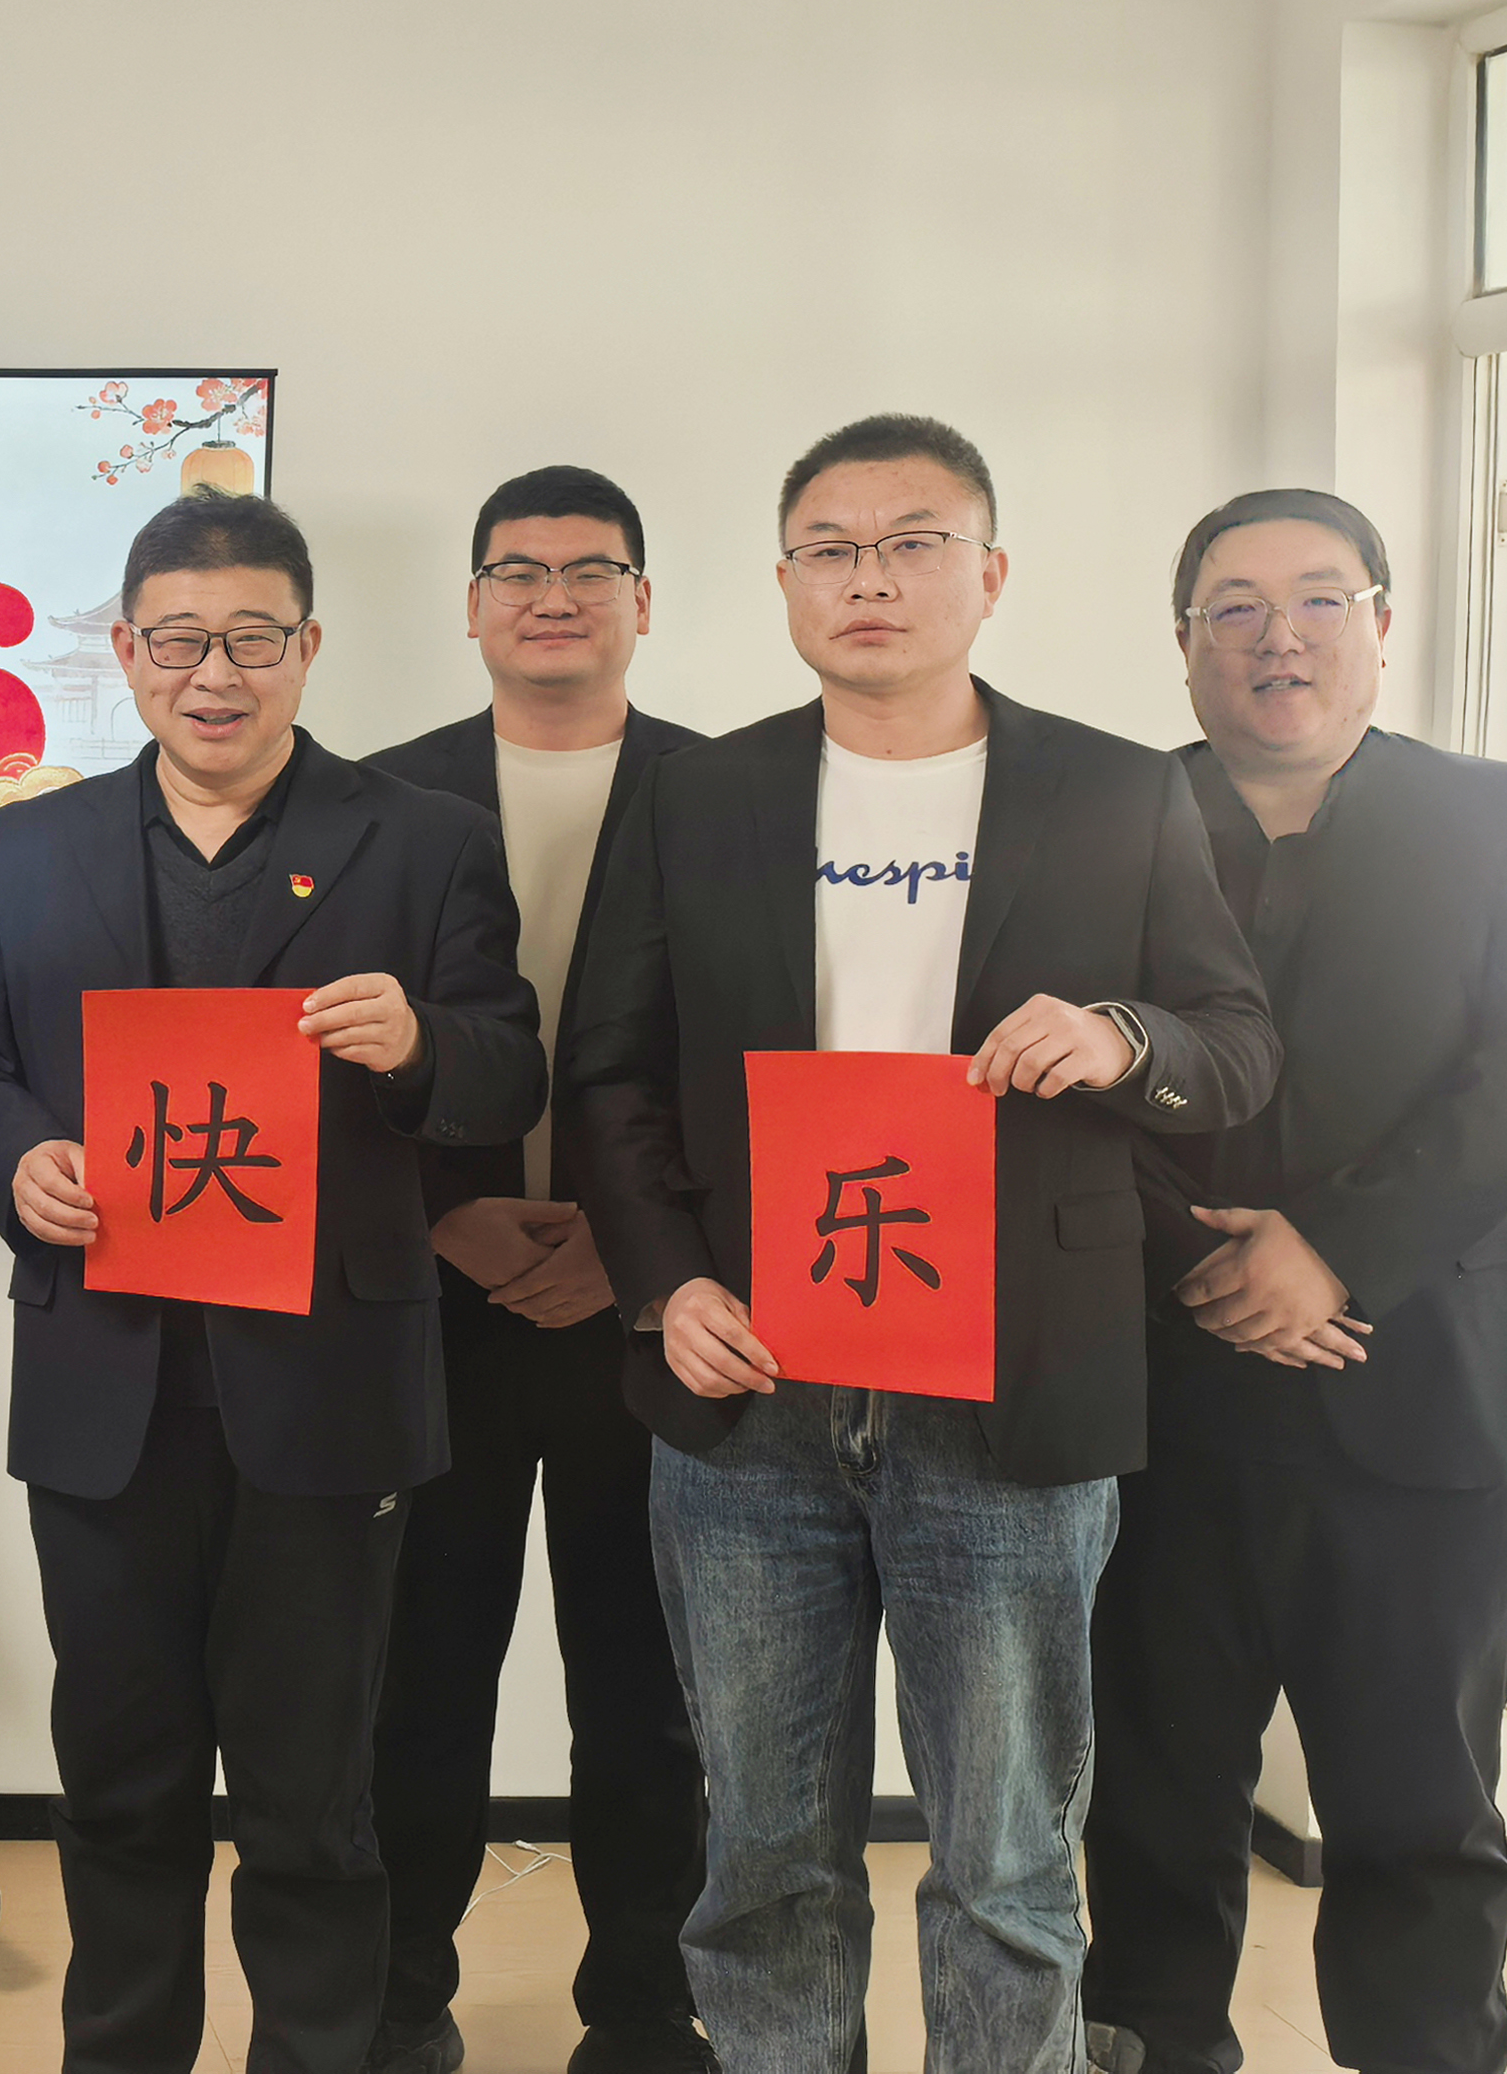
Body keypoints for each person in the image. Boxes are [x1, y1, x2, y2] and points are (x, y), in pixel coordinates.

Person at [561, 414, 1281, 2074]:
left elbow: (1235, 1047)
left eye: (910, 543)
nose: (867, 578)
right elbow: (607, 1072)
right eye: (829, 548)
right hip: (752, 1386)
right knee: (759, 1852)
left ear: (990, 573)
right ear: (784, 583)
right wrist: (665, 1284)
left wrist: (1118, 1037)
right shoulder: (696, 792)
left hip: (1009, 1385)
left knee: (1007, 1856)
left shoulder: (1116, 788)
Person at [0, 491, 549, 2074]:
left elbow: (507, 1070)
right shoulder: (26, 846)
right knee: (117, 1784)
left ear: (307, 648)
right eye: (180, 640)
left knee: (310, 1797)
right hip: (105, 1386)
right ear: (127, 651)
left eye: (252, 640)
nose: (215, 674)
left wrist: (419, 1046)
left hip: (326, 1394)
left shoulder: (423, 841)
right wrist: (18, 1162)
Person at [1082, 491, 1507, 2074]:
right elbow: (1048, 1077)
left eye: (1318, 599)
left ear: (1381, 625)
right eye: (1233, 606)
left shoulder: (1504, 818)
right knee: (1146, 1798)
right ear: (1183, 642)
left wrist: (1330, 1249)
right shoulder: (1097, 820)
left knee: (1420, 1806)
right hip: (1154, 1390)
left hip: (1423, 1387)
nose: (1276, 637)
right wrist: (1203, 1262)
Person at [361, 466, 710, 2074]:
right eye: (517, 570)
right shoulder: (377, 798)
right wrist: (447, 1215)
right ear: (473, 604)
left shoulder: (729, 795)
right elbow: (325, 1052)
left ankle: (640, 2011)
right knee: (415, 1678)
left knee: (646, 1694)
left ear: (642, 601)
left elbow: (763, 1048)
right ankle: (393, 2003)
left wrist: (633, 1248)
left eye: (589, 570)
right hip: (433, 1305)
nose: (552, 597)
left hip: (651, 1312)